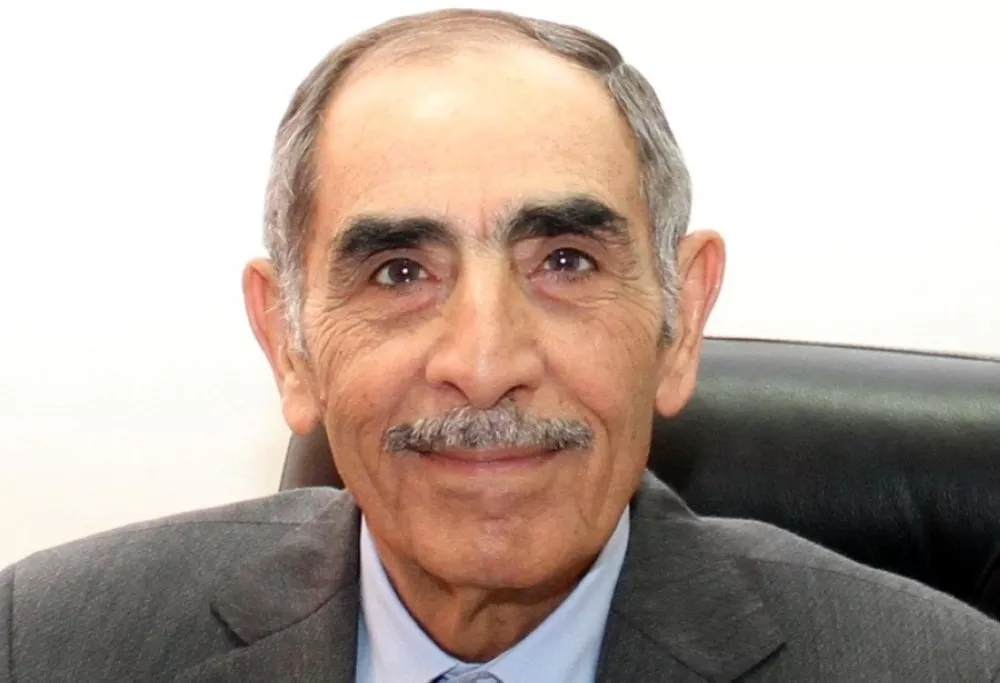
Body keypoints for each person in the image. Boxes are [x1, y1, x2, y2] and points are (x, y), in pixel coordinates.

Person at [2, 8, 998, 682]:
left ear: (681, 319)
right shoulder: (47, 641)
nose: (483, 364)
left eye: (565, 260)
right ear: (289, 344)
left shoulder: (938, 666)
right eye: (400, 271)